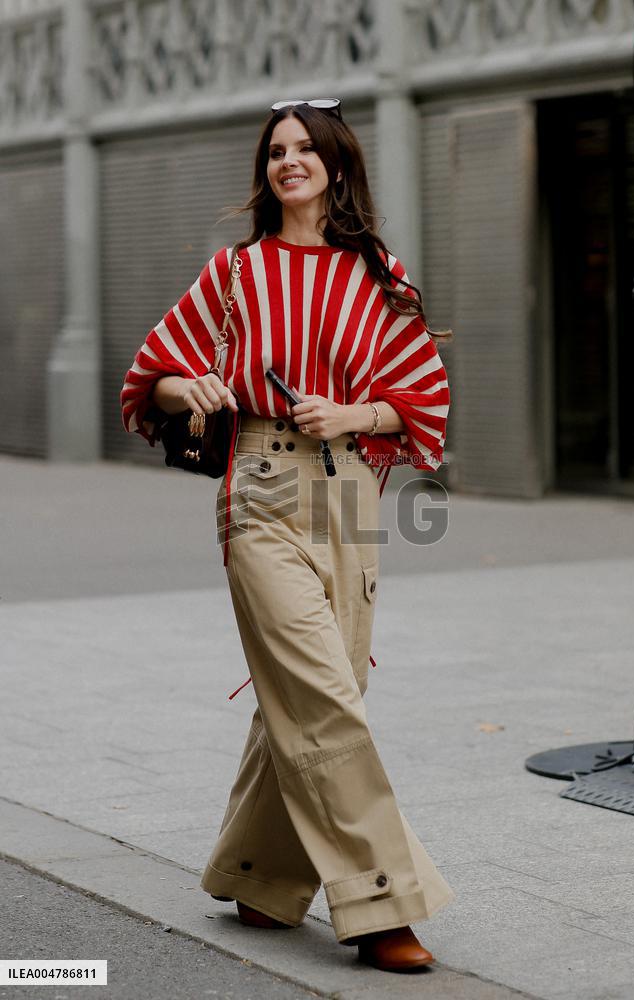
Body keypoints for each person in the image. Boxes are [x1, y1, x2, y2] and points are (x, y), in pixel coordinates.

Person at [120, 98, 454, 973]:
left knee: (329, 686)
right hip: (260, 488)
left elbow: (422, 397)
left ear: (337, 165)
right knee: (320, 692)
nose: (290, 161)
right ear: (265, 171)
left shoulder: (377, 274)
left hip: (351, 495)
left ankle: (260, 877)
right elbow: (151, 374)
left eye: (306, 148)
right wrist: (188, 387)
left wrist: (354, 412)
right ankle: (381, 902)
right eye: (277, 151)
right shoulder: (236, 271)